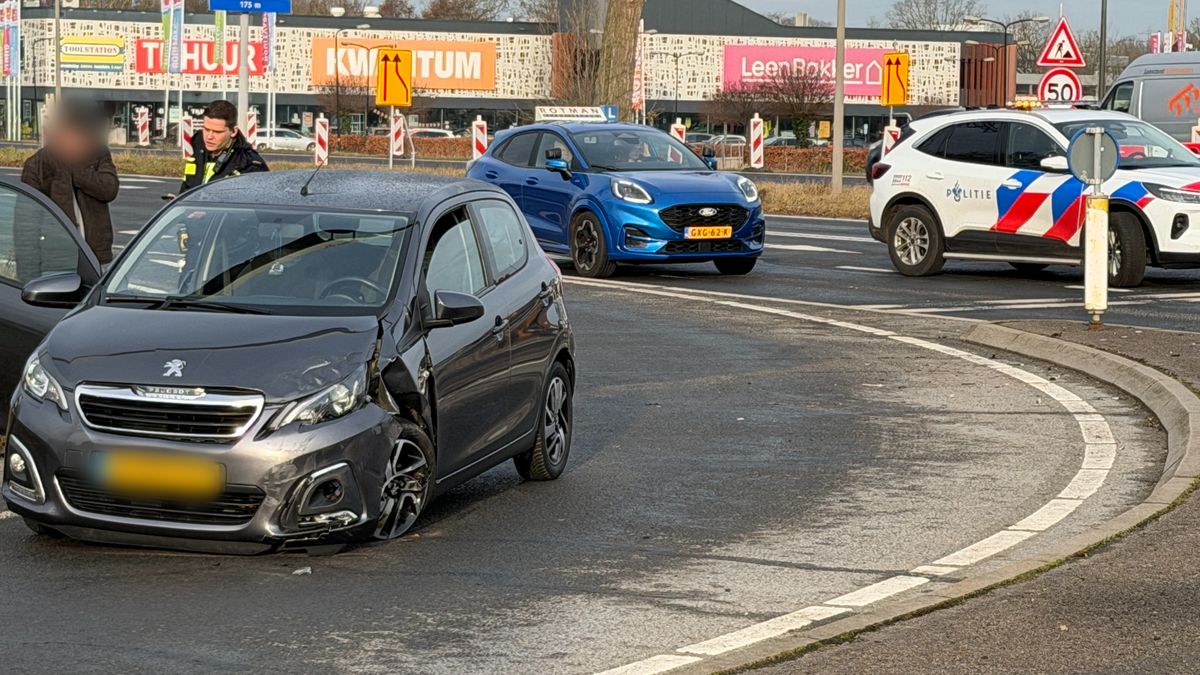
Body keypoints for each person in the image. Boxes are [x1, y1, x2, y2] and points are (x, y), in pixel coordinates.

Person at [20, 101, 119, 269]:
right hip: (56, 255)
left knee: (95, 293)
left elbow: (109, 189)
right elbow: (27, 223)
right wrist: (27, 268)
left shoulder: (98, 153)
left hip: (95, 254)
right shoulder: (38, 164)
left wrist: (76, 172)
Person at [179, 100, 268, 195]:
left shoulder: (249, 164)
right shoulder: (198, 149)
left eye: (217, 132)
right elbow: (188, 188)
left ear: (233, 131)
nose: (209, 136)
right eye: (206, 129)